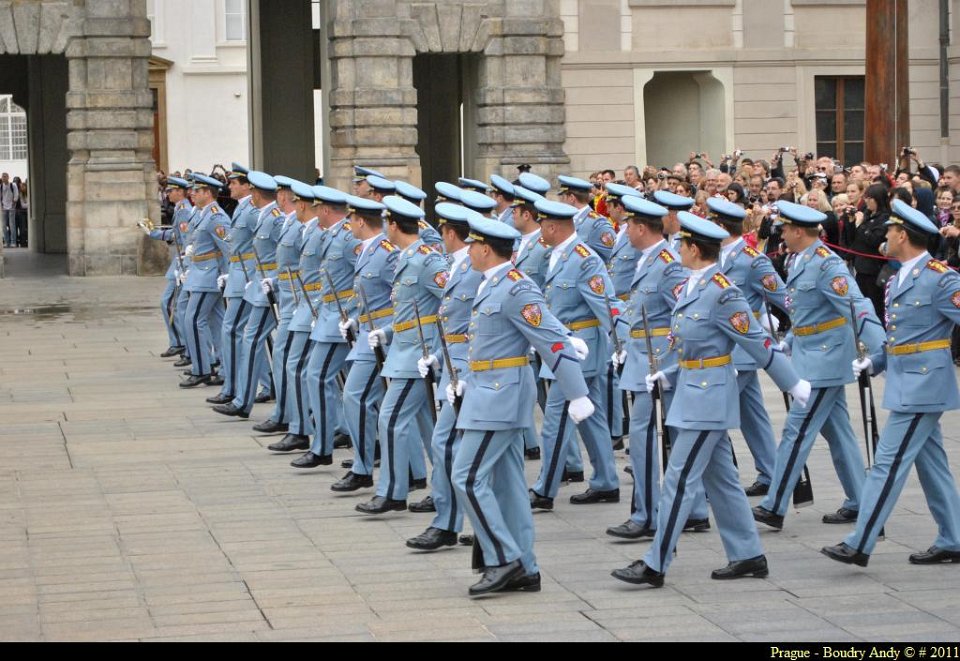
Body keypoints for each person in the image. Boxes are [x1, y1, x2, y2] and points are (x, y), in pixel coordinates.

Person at [610, 212, 808, 588]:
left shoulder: (723, 291)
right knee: (723, 481)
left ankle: (655, 562)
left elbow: (756, 340)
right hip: (690, 390)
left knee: (679, 480)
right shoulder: (691, 285)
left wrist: (792, 381)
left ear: (694, 249)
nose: (677, 249)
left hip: (709, 399)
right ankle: (748, 554)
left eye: (682, 244)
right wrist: (666, 371)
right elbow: (683, 339)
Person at [450, 213, 595, 596]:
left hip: (499, 397)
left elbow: (549, 338)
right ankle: (526, 566)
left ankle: (504, 559)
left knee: (465, 476)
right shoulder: (494, 284)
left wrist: (577, 393)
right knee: (510, 485)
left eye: (473, 247)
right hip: (487, 391)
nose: (469, 253)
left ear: (484, 249)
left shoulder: (515, 288)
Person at [821, 199, 960, 568]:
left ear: (903, 235)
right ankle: (954, 537)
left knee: (887, 463)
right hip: (907, 380)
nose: (885, 236)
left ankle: (861, 541)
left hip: (924, 385)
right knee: (932, 465)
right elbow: (902, 334)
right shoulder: (901, 275)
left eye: (890, 231)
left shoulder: (940, 277)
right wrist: (876, 359)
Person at [753, 201, 887, 531]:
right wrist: (792, 340)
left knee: (796, 432)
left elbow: (856, 308)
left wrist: (881, 350)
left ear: (799, 231)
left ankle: (775, 503)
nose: (781, 233)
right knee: (838, 432)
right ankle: (860, 499)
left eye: (785, 228)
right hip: (809, 353)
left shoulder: (828, 265)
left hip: (825, 361)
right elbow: (808, 314)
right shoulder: (800, 259)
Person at [356, 196, 449, 514]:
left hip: (416, 355)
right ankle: (440, 490)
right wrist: (387, 331)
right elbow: (410, 311)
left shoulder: (428, 260)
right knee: (429, 429)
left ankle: (393, 492)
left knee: (391, 419)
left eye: (387, 223)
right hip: (403, 349)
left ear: (393, 226)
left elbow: (448, 306)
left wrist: (438, 351)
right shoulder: (407, 257)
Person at [605, 195, 691, 540]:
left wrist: (669, 364)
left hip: (657, 364)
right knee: (673, 437)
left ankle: (647, 513)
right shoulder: (648, 260)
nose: (625, 229)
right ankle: (685, 509)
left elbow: (682, 316)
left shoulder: (668, 263)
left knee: (643, 438)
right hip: (642, 358)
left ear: (641, 228)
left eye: (628, 224)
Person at [528, 198, 619, 510]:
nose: (540, 229)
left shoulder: (584, 259)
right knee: (591, 419)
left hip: (579, 350)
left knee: (555, 419)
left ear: (553, 226)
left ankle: (544, 490)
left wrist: (622, 345)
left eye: (542, 224)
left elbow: (606, 306)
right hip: (563, 346)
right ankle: (607, 481)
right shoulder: (558, 255)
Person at [406, 202, 484, 550]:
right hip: (453, 363)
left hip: (470, 368)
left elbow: (479, 326)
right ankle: (475, 524)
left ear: (451, 234)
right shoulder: (457, 266)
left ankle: (447, 522)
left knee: (446, 443)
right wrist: (437, 356)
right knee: (457, 446)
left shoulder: (474, 269)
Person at [332, 195, 396, 493]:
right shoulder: (367, 251)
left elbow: (405, 300)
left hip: (380, 340)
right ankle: (413, 470)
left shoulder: (387, 253)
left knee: (354, 397)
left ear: (360, 221)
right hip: (366, 334)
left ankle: (362, 467)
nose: (348, 224)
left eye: (351, 219)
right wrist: (356, 321)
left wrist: (387, 331)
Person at [181, 174, 232, 388]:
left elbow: (228, 249)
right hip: (199, 272)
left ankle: (202, 368)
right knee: (216, 322)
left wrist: (228, 276)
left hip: (208, 276)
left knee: (193, 320)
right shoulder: (203, 214)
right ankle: (223, 366)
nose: (192, 193)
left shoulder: (216, 217)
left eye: (197, 190)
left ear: (208, 193)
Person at [0, 172, 19, 248]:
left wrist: (14, 202)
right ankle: (7, 242)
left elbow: (16, 194)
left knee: (12, 225)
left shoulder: (13, 185)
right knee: (3, 225)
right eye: (2, 176)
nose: (3, 178)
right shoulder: (1, 186)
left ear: (8, 177)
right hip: (3, 207)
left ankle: (13, 242)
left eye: (5, 176)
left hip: (11, 207)